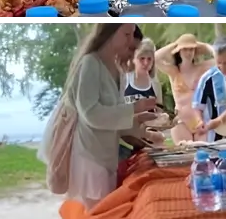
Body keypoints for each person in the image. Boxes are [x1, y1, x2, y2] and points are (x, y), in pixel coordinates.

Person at [56, 22, 159, 209]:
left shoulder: (114, 68)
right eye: (126, 35)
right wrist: (135, 108)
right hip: (90, 158)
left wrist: (140, 123)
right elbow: (91, 114)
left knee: (104, 216)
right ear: (110, 33)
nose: (130, 43)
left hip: (106, 157)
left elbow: (115, 115)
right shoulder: (90, 63)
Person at [155, 34, 214, 143]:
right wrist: (176, 44)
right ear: (179, 51)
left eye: (191, 49)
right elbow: (155, 57)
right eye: (185, 49)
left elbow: (220, 57)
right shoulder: (174, 71)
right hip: (182, 121)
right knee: (185, 153)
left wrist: (203, 46)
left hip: (201, 120)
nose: (188, 52)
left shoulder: (202, 68)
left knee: (203, 154)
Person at [123, 38, 163, 104]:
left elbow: (159, 109)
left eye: (149, 59)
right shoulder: (124, 80)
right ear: (133, 59)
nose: (146, 63)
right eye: (142, 58)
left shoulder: (155, 83)